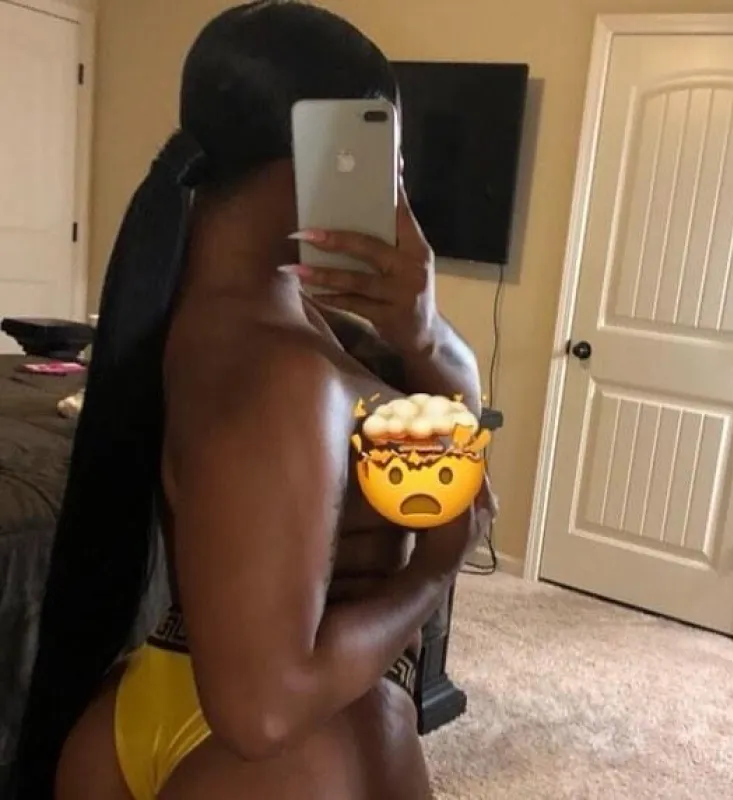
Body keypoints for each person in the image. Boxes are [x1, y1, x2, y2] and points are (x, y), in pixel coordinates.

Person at [10, 2, 495, 799]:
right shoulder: (285, 373)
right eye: (388, 157)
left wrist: (424, 330)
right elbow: (262, 713)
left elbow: (451, 430)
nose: (398, 184)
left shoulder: (214, 311)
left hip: (155, 691)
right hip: (291, 742)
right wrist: (432, 576)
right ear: (328, 153)